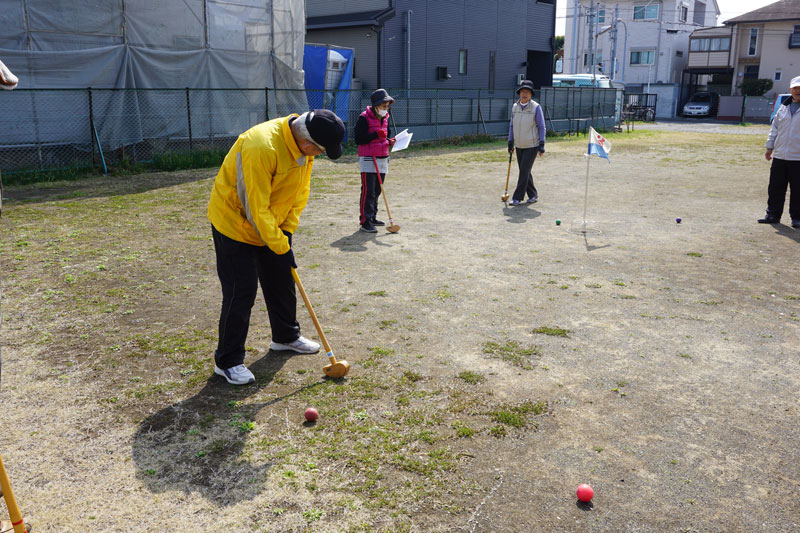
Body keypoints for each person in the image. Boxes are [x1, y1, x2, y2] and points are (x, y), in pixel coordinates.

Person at [207, 109, 345, 385]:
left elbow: (299, 194)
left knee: (281, 279)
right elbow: (254, 208)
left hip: (273, 225)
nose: (316, 156)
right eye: (318, 150)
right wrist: (278, 242)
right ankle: (228, 361)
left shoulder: (305, 151)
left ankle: (285, 337)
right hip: (236, 225)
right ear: (306, 139)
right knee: (241, 290)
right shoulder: (260, 146)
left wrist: (286, 232)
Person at [760, 76, 800, 229]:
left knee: (797, 190)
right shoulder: (783, 108)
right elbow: (774, 129)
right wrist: (769, 147)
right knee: (775, 187)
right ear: (790, 90)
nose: (798, 91)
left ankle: (797, 218)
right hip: (780, 156)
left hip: (798, 158)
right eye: (795, 88)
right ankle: (773, 214)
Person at [355, 88, 396, 232]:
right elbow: (358, 139)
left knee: (378, 189)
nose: (386, 109)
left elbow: (385, 135)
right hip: (368, 157)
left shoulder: (386, 117)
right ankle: (365, 221)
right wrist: (374, 135)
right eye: (384, 106)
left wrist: (390, 141)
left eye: (387, 106)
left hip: (382, 156)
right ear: (376, 105)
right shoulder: (364, 117)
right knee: (368, 190)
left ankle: (372, 217)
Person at [507, 80, 546, 206]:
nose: (525, 94)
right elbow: (512, 125)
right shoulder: (515, 107)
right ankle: (533, 194)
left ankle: (517, 197)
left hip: (532, 145)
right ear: (519, 93)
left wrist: (542, 143)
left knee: (523, 171)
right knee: (525, 171)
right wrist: (510, 141)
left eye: (527, 92)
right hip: (519, 145)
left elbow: (541, 126)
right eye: (523, 91)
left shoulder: (536, 107)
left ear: (531, 94)